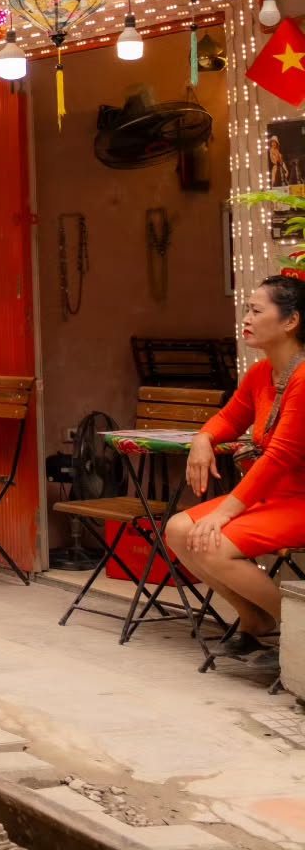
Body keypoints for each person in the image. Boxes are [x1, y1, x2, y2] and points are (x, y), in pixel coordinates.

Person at [165, 275, 305, 657]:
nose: (246, 317)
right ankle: (256, 619)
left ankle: (299, 632)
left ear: (290, 321)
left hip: (298, 499)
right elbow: (228, 419)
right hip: (270, 496)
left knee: (210, 544)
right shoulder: (261, 373)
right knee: (178, 530)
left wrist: (223, 514)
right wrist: (202, 439)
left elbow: (280, 457)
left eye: (256, 310)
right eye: (247, 309)